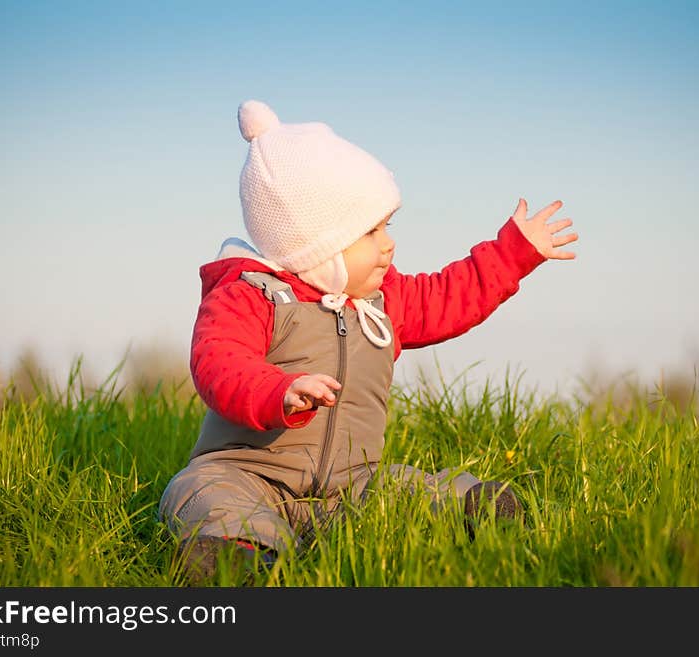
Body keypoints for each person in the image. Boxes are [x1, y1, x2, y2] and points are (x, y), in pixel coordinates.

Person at [158, 99, 578, 582]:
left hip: (349, 486)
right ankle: (239, 557)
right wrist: (280, 390)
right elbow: (219, 363)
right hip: (251, 473)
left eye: (387, 226)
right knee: (201, 492)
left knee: (403, 488)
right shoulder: (250, 295)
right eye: (370, 230)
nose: (388, 243)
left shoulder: (382, 301)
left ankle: (475, 511)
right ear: (315, 241)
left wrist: (513, 255)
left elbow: (447, 297)